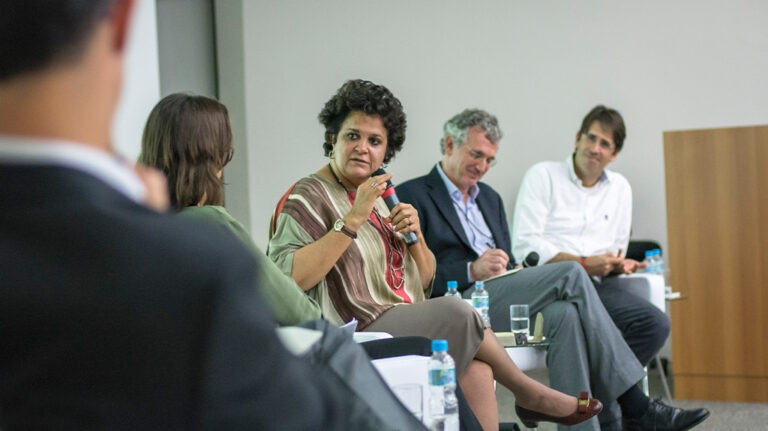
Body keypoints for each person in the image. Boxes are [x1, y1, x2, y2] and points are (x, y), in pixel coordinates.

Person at [0, 2, 406, 429]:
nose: (363, 148)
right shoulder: (201, 253)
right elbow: (298, 313)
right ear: (122, 21)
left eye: (375, 141)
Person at [267, 79, 603, 431]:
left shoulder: (380, 198)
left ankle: (529, 398)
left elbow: (425, 280)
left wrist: (416, 240)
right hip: (352, 330)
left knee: (478, 371)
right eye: (353, 136)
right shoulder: (307, 195)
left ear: (386, 151)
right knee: (460, 311)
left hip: (396, 315)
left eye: (375, 141)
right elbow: (287, 280)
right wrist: (351, 221)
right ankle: (528, 393)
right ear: (332, 138)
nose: (363, 149)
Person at [397, 108, 710, 431]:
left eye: (490, 159)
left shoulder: (489, 198)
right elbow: (413, 278)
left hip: (502, 294)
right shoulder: (413, 195)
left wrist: (515, 267)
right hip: (460, 304)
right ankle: (635, 403)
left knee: (565, 314)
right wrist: (471, 270)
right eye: (476, 154)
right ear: (449, 144)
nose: (483, 166)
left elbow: (513, 257)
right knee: (572, 272)